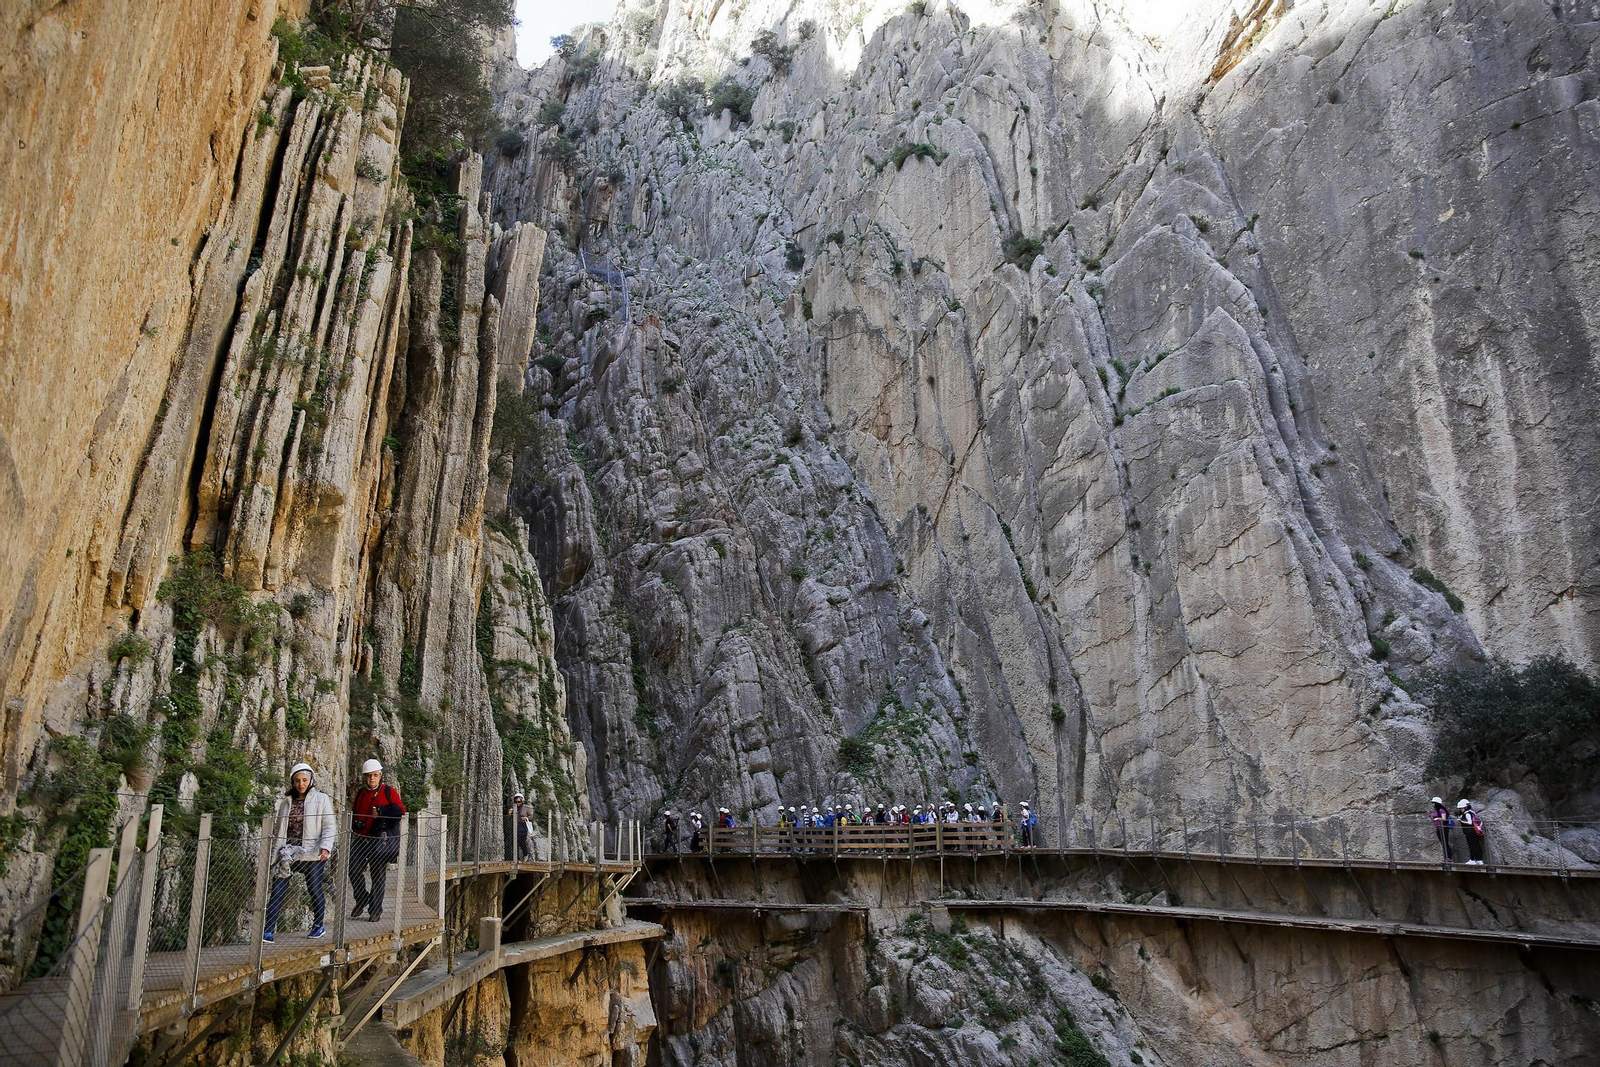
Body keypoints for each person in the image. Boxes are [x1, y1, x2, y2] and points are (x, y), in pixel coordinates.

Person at [264, 762, 337, 942]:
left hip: (313, 853)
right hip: (289, 853)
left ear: (311, 780)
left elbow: (329, 826)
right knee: (278, 889)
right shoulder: (286, 802)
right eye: (297, 780)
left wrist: (326, 847)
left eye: (304, 780)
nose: (301, 784)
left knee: (314, 888)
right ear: (293, 782)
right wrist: (274, 856)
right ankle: (268, 930)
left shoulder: (322, 799)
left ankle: (318, 925)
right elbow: (280, 831)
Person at [350, 758, 405, 922]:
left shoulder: (388, 792)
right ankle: (362, 898)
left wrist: (381, 811)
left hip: (379, 840)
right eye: (368, 776)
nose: (372, 778)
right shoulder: (361, 793)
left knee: (378, 875)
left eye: (375, 775)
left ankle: (375, 910)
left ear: (380, 776)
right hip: (361, 838)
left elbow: (400, 810)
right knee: (353, 869)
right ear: (364, 777)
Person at [1457, 799, 1486, 865]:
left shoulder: (1467, 814)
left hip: (1470, 831)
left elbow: (1470, 822)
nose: (1460, 810)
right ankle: (1479, 859)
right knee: (1476, 845)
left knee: (1472, 845)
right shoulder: (1472, 812)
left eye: (1461, 808)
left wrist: (1461, 821)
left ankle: (1473, 859)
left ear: (1465, 807)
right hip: (1473, 831)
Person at [506, 793, 535, 859]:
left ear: (522, 801)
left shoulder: (526, 808)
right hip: (515, 826)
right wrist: (509, 814)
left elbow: (531, 816)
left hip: (523, 826)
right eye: (516, 802)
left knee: (522, 842)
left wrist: (526, 818)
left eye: (519, 802)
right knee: (515, 842)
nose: (517, 803)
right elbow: (509, 818)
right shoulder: (513, 808)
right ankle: (516, 858)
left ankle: (525, 854)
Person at [1429, 797, 1456, 863]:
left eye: (1433, 803)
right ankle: (1446, 857)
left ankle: (1449, 857)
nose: (1432, 804)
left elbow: (1444, 818)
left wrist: (1437, 818)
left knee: (1445, 843)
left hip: (1443, 828)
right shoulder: (1436, 811)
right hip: (1439, 828)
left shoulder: (1441, 810)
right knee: (1443, 843)